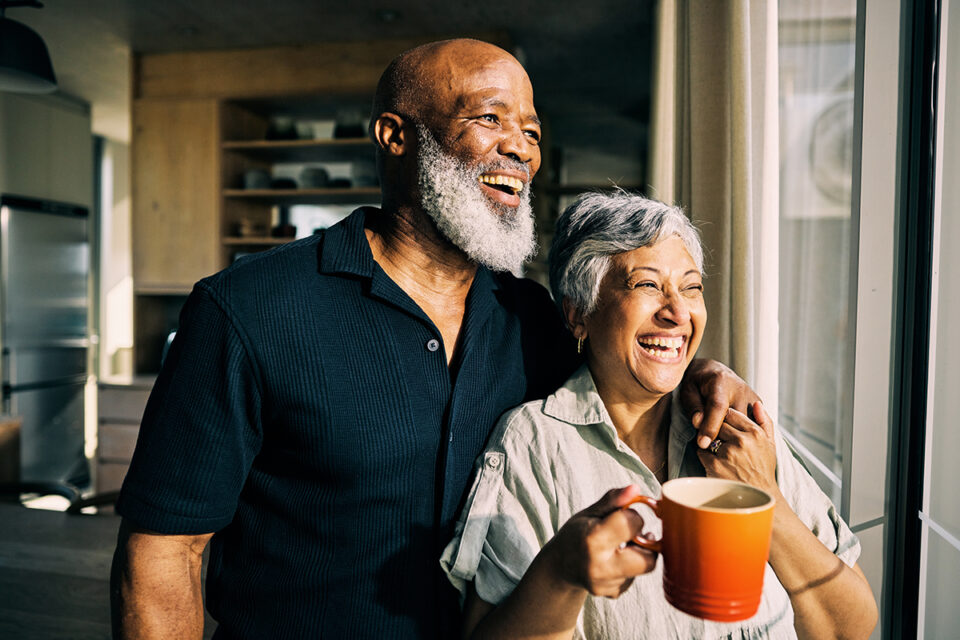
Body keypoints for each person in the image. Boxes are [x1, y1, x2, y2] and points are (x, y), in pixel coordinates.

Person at [111, 40, 757, 640]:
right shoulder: (248, 309)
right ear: (395, 136)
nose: (521, 150)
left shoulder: (532, 318)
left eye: (531, 132)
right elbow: (165, 549)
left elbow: (626, 384)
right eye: (491, 119)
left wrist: (706, 375)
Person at [441, 191, 878, 640]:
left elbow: (852, 628)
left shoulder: (740, 425)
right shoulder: (533, 444)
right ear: (578, 314)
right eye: (647, 285)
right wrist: (560, 574)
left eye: (691, 287)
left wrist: (766, 496)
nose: (678, 313)